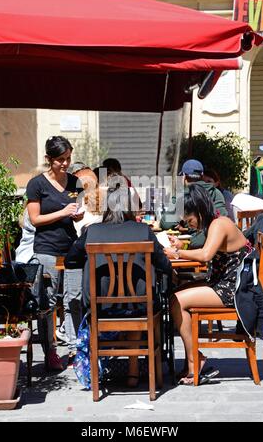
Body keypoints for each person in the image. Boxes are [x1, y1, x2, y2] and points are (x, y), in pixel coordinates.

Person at [65, 174, 172, 388]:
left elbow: (70, 260)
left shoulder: (91, 232)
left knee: (127, 304)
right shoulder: (143, 231)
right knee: (136, 305)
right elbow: (164, 266)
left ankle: (105, 376)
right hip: (140, 306)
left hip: (100, 308)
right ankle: (135, 373)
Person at [164, 184, 253, 385]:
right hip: (223, 283)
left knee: (177, 301)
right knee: (175, 293)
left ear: (199, 209)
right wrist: (182, 245)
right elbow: (207, 248)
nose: (189, 224)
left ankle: (195, 361)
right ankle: (193, 357)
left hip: (233, 290)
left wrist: (177, 253)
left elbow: (205, 255)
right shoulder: (216, 223)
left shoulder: (220, 224)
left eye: (190, 219)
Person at [26, 136, 84, 370]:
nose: (65, 163)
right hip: (47, 248)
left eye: (68, 158)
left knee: (76, 299)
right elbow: (35, 219)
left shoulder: (76, 182)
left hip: (71, 247)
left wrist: (76, 215)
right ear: (49, 159)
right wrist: (62, 212)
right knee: (48, 302)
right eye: (60, 159)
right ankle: (50, 351)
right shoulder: (36, 184)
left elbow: (77, 211)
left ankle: (76, 349)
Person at [161, 159, 228, 249]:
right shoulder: (216, 193)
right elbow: (221, 219)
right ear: (202, 175)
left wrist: (183, 223)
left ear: (183, 176)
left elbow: (166, 223)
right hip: (213, 244)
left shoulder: (182, 194)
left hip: (189, 244)